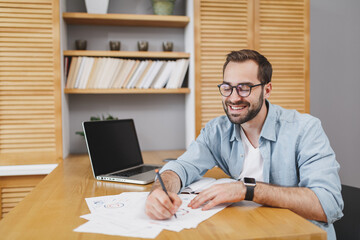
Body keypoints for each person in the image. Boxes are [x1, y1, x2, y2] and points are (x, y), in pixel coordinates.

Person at [145, 49, 343, 239]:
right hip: (249, 229)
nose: (233, 97)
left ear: (267, 90)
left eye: (244, 88)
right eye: (227, 87)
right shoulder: (217, 130)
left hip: (299, 235)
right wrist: (160, 191)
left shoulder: (305, 129)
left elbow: (328, 204)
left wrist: (247, 190)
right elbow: (182, 166)